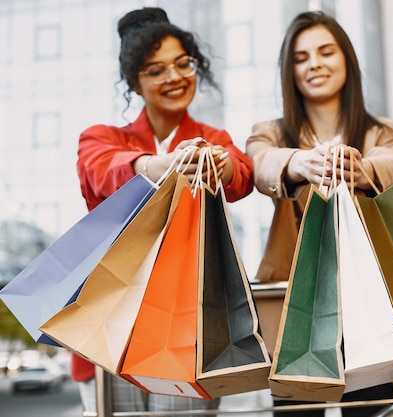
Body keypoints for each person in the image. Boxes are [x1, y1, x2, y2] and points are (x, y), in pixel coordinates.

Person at [74, 6, 253, 414]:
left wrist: (219, 164)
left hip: (188, 328)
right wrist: (158, 165)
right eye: (155, 70)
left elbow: (241, 172)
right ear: (135, 83)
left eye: (182, 64)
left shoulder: (212, 138)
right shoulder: (103, 138)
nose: (173, 77)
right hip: (109, 327)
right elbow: (100, 170)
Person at [246, 10, 393, 417]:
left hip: (368, 302)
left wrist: (364, 169)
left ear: (346, 60)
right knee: (298, 412)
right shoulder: (271, 131)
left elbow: (392, 164)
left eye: (326, 52)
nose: (314, 64)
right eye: (301, 57)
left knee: (372, 410)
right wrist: (300, 163)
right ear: (290, 71)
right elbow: (260, 165)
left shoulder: (380, 130)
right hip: (293, 300)